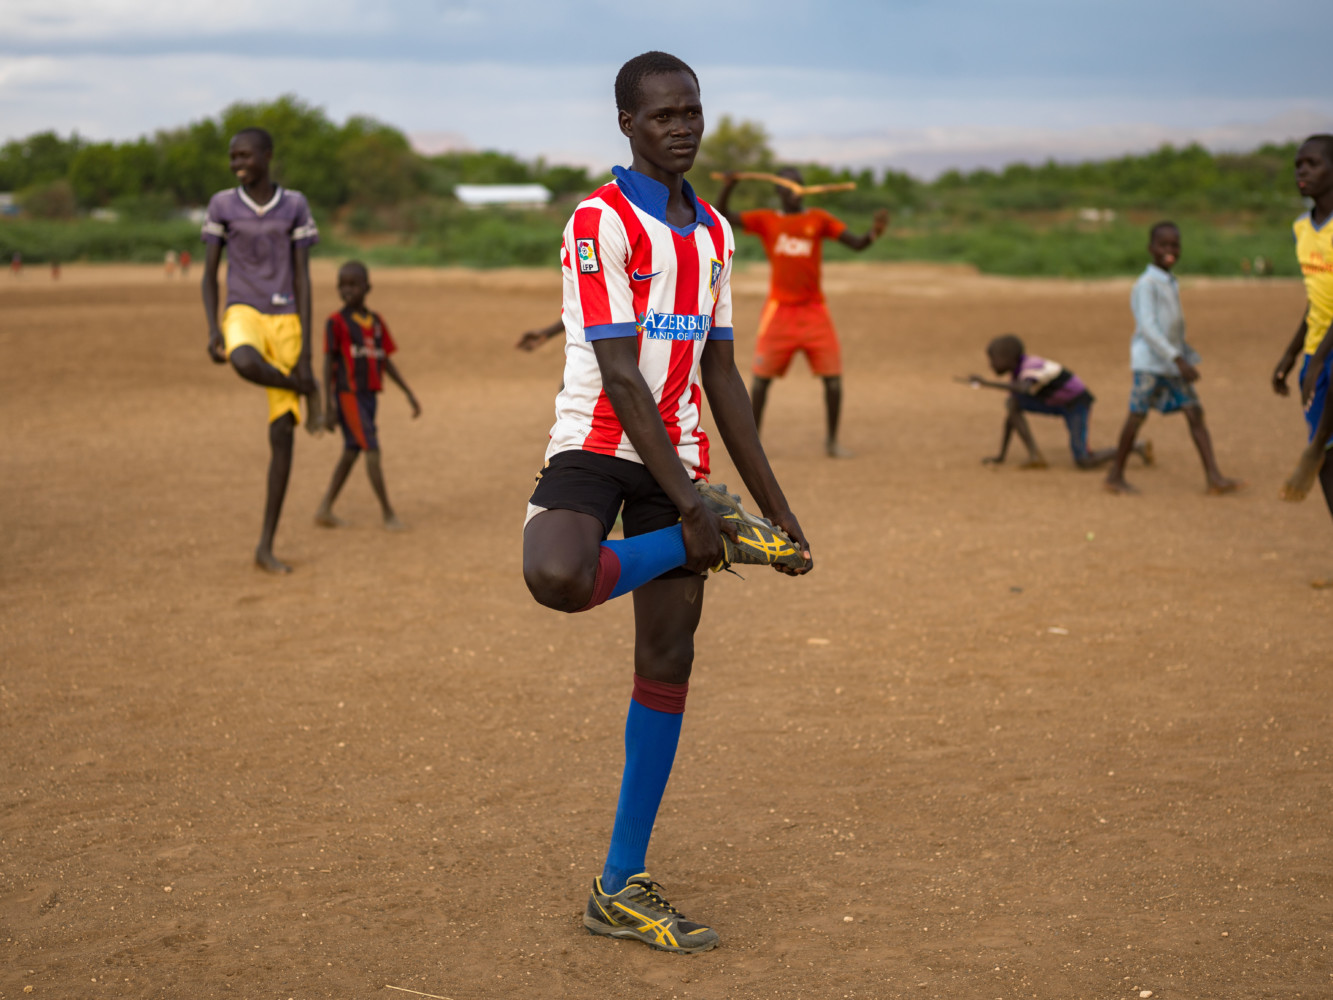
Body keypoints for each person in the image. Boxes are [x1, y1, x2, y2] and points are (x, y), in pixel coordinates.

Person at [521, 51, 812, 955]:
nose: (681, 127)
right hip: (597, 442)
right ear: (627, 125)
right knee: (557, 576)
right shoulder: (598, 221)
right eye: (662, 116)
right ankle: (713, 535)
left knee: (666, 658)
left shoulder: (716, 232)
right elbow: (620, 374)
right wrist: (700, 515)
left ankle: (620, 885)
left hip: (677, 456)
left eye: (691, 111)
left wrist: (776, 506)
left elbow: (721, 376)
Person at [200, 126, 323, 573]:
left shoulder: (294, 204)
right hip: (242, 309)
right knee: (243, 360)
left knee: (282, 436)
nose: (237, 163)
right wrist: (213, 328)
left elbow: (303, 277)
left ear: (267, 155)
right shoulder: (221, 205)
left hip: (286, 317)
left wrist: (306, 351)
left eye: (245, 155)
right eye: (233, 156)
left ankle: (265, 546)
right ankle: (304, 388)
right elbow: (209, 273)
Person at [714, 168, 888, 457]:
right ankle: (753, 446)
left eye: (798, 185)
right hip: (779, 312)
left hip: (814, 311)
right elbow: (723, 216)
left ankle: (832, 442)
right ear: (779, 191)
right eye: (788, 185)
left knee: (833, 380)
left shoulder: (818, 219)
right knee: (761, 381)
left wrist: (874, 234)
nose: (794, 190)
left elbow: (856, 244)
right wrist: (730, 185)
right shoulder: (766, 219)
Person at [1104, 222, 1239, 495]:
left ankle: (1214, 477)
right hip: (1151, 364)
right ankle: (1115, 475)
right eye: (1163, 245)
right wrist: (1178, 359)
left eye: (1174, 245)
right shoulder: (1146, 284)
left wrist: (1182, 356)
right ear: (1150, 248)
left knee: (1194, 413)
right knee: (1136, 416)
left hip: (1171, 363)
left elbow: (1170, 327)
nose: (1170, 250)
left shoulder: (1168, 281)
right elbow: (1148, 328)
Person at [315, 261, 420, 530]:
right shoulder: (335, 323)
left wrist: (408, 392)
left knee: (352, 450)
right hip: (348, 395)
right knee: (371, 448)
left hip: (369, 397)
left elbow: (385, 360)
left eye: (353, 284)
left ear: (367, 288)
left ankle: (325, 508)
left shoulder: (376, 323)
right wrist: (327, 406)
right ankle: (388, 513)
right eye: (342, 285)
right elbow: (328, 363)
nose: (347, 290)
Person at [966, 334, 1150, 470]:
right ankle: (1035, 456)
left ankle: (1135, 446)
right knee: (1012, 404)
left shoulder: (1032, 366)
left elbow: (1024, 388)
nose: (991, 365)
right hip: (1056, 403)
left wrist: (986, 383)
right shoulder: (1017, 372)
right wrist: (1001, 455)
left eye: (993, 359)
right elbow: (1011, 416)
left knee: (1084, 461)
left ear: (1008, 358)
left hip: (1076, 405)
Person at [1273, 136, 1333, 527]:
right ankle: (1318, 448)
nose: (1302, 171)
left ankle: (1315, 447)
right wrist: (1291, 355)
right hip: (1317, 348)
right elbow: (1316, 301)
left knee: (1321, 446)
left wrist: (1321, 361)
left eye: (1312, 163)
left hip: (1327, 355)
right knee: (1329, 463)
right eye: (1298, 164)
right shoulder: (1301, 229)